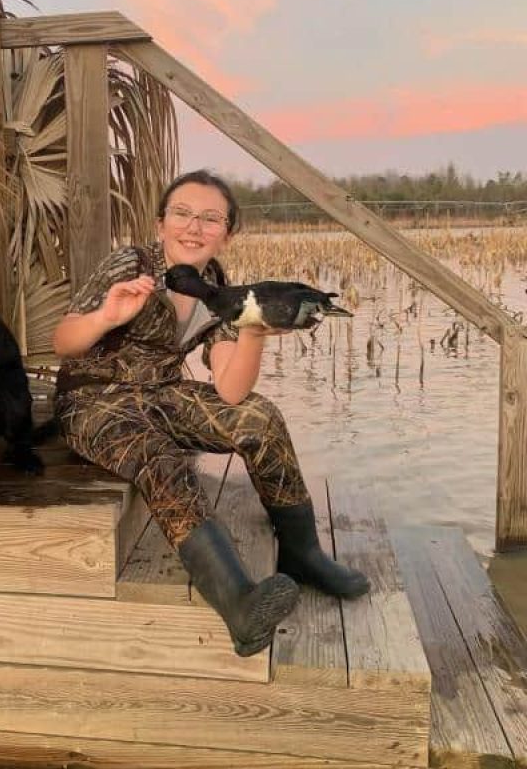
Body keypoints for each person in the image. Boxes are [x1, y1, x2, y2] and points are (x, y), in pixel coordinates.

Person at [52, 170, 369, 657]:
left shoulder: (217, 287)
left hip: (163, 393)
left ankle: (303, 554)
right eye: (181, 214)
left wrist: (254, 331)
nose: (193, 227)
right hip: (95, 399)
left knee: (260, 418)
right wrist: (105, 318)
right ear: (160, 223)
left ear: (228, 231)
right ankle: (239, 603)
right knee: (158, 457)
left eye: (210, 218)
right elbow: (63, 342)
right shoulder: (131, 264)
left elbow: (231, 389)